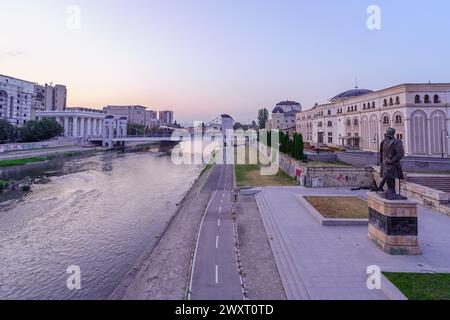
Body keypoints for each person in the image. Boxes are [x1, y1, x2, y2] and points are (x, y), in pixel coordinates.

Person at [379, 128, 406, 199]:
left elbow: (400, 154)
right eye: (387, 132)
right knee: (387, 177)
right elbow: (382, 153)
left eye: (389, 132)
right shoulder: (383, 142)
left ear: (392, 133)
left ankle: (392, 191)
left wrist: (391, 161)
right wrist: (381, 162)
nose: (387, 134)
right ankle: (390, 191)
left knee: (390, 176)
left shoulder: (397, 142)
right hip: (385, 163)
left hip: (392, 164)